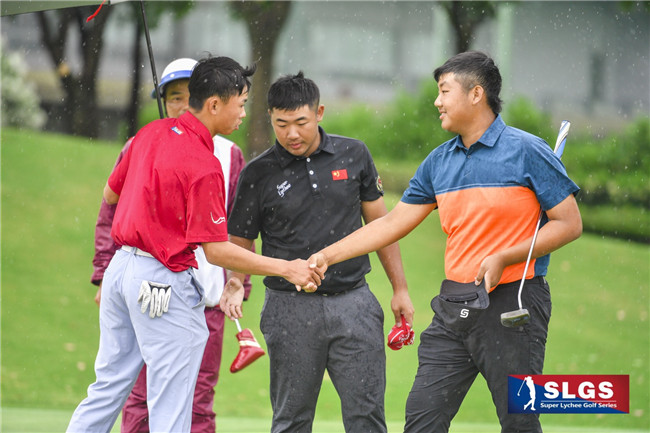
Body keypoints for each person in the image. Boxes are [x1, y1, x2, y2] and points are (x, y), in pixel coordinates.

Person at [308, 51, 582, 432]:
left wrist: (505, 255)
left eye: (444, 91)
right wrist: (327, 255)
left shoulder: (527, 151)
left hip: (513, 304)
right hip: (455, 307)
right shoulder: (438, 162)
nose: (437, 101)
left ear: (476, 94)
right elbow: (393, 223)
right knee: (422, 419)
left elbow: (568, 224)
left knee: (519, 422)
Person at [67, 56, 322, 433]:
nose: (243, 113)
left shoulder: (148, 134)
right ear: (215, 104)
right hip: (160, 281)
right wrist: (288, 267)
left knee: (107, 389)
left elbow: (110, 194)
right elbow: (215, 250)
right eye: (241, 103)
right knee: (172, 405)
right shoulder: (204, 164)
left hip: (121, 271)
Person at [220, 71, 414, 433]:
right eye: (281, 124)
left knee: (367, 418)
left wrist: (399, 289)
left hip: (354, 302)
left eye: (301, 122)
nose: (292, 134)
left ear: (319, 112)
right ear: (270, 119)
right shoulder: (257, 173)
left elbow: (382, 228)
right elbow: (240, 241)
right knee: (291, 420)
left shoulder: (354, 154)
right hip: (288, 308)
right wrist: (234, 282)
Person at [90, 57, 253, 433]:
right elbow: (108, 206)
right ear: (212, 101)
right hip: (164, 280)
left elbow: (239, 224)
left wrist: (237, 283)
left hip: (198, 288)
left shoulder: (225, 154)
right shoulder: (162, 144)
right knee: (156, 399)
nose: (180, 105)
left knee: (188, 399)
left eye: (185, 95)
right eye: (174, 97)